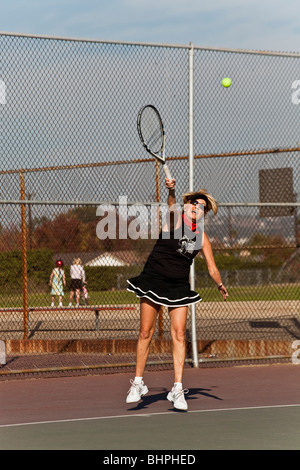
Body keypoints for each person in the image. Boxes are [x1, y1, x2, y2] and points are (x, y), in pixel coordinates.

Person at [126, 177, 228, 411]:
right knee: (145, 331)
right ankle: (138, 383)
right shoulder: (173, 219)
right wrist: (171, 190)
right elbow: (171, 204)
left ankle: (177, 389)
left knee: (180, 334)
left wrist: (219, 284)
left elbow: (212, 267)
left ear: (204, 214)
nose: (196, 208)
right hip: (153, 279)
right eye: (193, 203)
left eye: (202, 207)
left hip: (178, 286)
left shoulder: (201, 238)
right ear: (187, 206)